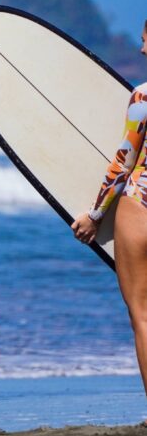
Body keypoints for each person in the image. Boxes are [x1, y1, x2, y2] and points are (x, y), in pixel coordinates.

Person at [71, 20, 147, 397]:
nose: (142, 50)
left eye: (146, 41)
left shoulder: (143, 97)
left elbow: (124, 161)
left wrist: (96, 214)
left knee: (143, 314)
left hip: (141, 209)